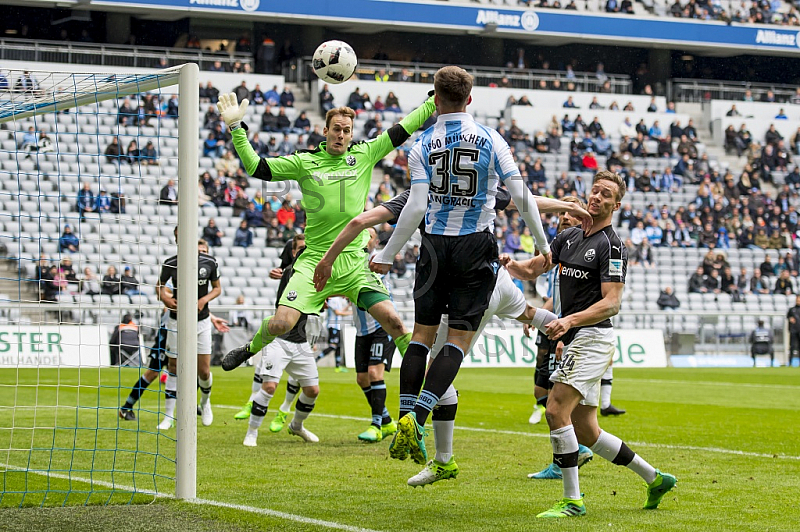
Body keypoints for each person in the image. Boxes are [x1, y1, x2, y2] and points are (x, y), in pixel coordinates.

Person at [367, 66, 554, 476]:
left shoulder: (423, 143)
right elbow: (521, 196)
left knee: (420, 337)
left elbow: (415, 207)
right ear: (470, 98)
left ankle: (405, 411)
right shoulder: (490, 138)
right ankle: (416, 419)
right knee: (457, 341)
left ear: (435, 99)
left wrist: (387, 252)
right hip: (475, 247)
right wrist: (543, 245)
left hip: (434, 246)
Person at [215, 79, 437, 373]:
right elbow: (257, 167)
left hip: (354, 262)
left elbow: (401, 130)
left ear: (351, 134)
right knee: (282, 323)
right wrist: (236, 129)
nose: (341, 135)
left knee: (395, 322)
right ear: (325, 130)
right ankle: (249, 348)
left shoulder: (365, 154)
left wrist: (433, 103)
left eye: (346, 130)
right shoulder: (305, 161)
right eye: (336, 129)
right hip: (315, 261)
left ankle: (421, 376)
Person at [502, 170, 676, 518]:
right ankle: (655, 478)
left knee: (554, 410)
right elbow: (535, 268)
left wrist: (569, 321)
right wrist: (511, 266)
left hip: (593, 337)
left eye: (605, 194)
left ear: (617, 204)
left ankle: (573, 500)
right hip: (576, 337)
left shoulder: (612, 245)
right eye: (594, 191)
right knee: (587, 430)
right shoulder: (568, 236)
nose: (596, 197)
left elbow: (611, 302)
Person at [242, 235, 323, 446]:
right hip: (280, 341)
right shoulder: (291, 274)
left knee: (312, 390)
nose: (304, 251)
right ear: (294, 252)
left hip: (301, 342)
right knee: (269, 387)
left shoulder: (316, 273)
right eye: (300, 249)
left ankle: (297, 426)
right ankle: (252, 432)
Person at [156, 229, 222, 430]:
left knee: (203, 370)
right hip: (177, 321)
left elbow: (217, 288)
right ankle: (168, 416)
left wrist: (204, 299)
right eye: (177, 237)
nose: (180, 240)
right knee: (173, 367)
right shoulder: (171, 262)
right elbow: (159, 287)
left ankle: (205, 402)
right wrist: (166, 298)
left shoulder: (209, 262)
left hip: (201, 321)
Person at [323, 296, 351, 372]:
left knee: (338, 346)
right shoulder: (333, 299)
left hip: (337, 326)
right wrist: (351, 312)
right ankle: (316, 359)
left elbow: (341, 311)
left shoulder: (338, 300)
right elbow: (338, 312)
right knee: (333, 346)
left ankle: (338, 367)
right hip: (333, 326)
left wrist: (348, 306)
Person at [787, 295, 800, 367]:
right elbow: (788, 317)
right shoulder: (792, 309)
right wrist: (790, 319)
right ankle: (790, 362)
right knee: (792, 347)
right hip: (794, 331)